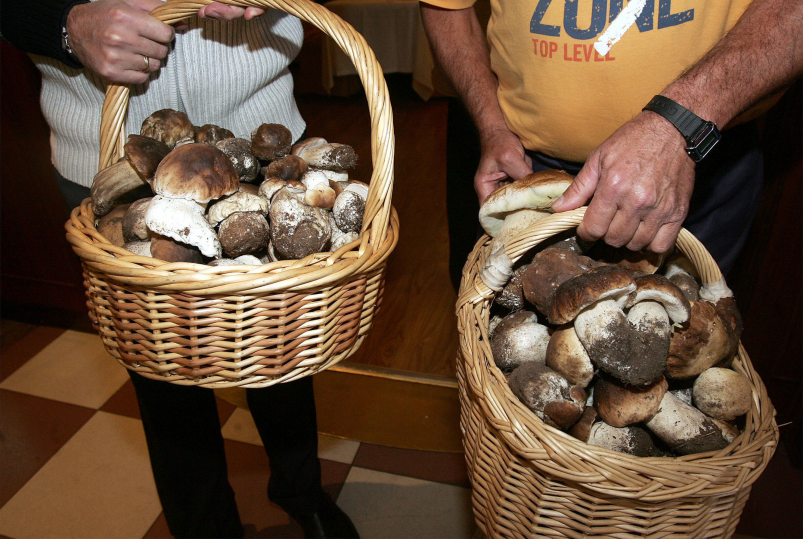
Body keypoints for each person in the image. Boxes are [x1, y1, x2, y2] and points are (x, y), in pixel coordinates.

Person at [0, 1, 359, 538]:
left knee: (277, 336)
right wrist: (60, 24)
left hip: (254, 137)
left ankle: (300, 488)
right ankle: (204, 524)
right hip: (110, 145)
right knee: (162, 359)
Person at [420, 0, 803, 284]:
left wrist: (678, 125)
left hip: (699, 159)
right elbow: (447, 8)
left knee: (679, 354)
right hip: (527, 169)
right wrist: (492, 126)